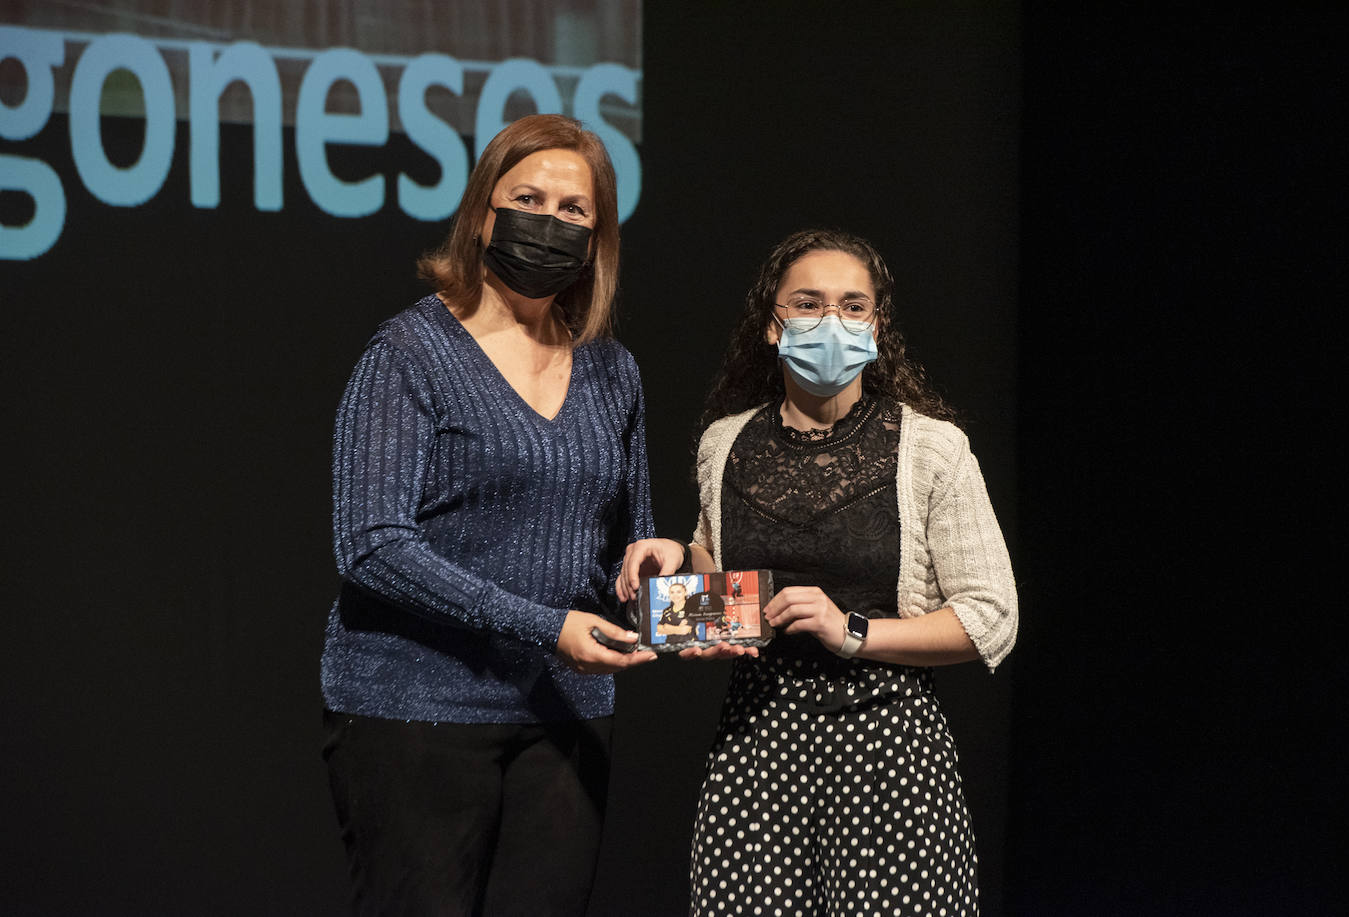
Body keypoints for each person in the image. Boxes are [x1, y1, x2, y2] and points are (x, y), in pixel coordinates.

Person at [617, 229, 1017, 916]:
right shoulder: (725, 443)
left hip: (888, 746)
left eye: (853, 306)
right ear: (773, 325)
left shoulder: (931, 449)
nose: (831, 321)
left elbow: (991, 616)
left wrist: (852, 629)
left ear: (877, 327)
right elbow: (727, 594)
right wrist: (678, 575)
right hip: (757, 748)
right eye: (808, 303)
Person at [321, 113, 656, 916]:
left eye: (574, 210)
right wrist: (546, 625)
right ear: (482, 215)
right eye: (529, 197)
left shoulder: (614, 373)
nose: (551, 221)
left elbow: (626, 543)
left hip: (565, 717)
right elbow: (370, 545)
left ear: (598, 235)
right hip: (416, 708)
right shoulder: (410, 352)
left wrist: (655, 566)